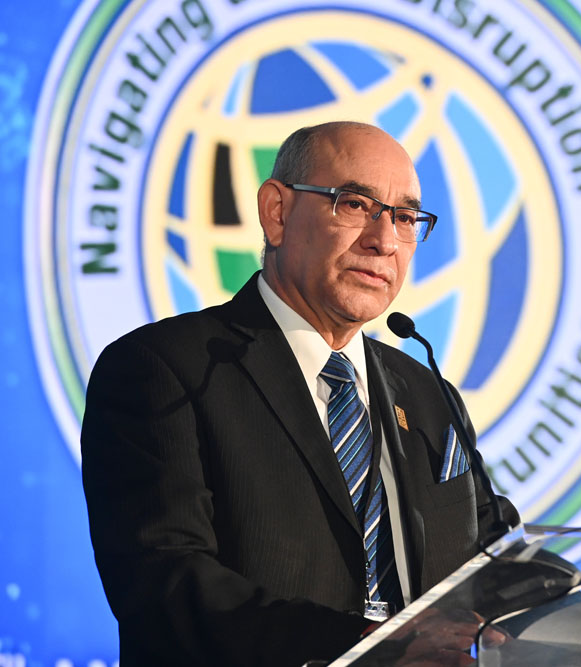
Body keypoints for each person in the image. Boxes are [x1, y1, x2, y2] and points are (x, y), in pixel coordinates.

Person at [80, 121, 520, 666]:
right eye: (356, 204)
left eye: (405, 218)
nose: (384, 241)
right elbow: (167, 585)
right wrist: (372, 646)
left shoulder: (429, 396)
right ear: (277, 212)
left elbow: (496, 554)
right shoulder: (167, 369)